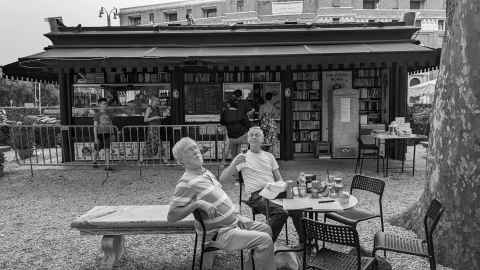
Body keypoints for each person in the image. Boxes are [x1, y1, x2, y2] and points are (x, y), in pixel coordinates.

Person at [167, 137, 275, 270]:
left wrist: (235, 216)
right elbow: (171, 217)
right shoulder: (186, 183)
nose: (196, 151)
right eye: (190, 150)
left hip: (233, 222)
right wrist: (198, 204)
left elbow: (218, 194)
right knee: (264, 240)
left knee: (266, 229)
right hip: (220, 233)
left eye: (195, 147)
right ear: (181, 160)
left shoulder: (205, 173)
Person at [220, 126, 304, 244]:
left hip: (274, 191)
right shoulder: (242, 157)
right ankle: (263, 243)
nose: (254, 137)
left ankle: (305, 243)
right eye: (251, 135)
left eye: (257, 135)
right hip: (257, 196)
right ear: (248, 139)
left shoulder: (269, 156)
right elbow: (223, 179)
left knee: (297, 208)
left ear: (262, 139)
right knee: (281, 213)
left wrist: (285, 188)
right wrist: (233, 165)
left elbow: (279, 179)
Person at [220, 99, 250, 165]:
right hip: (241, 136)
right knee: (238, 148)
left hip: (231, 136)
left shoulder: (225, 113)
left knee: (230, 149)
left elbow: (222, 122)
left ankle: (226, 163)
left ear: (229, 105)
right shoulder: (241, 112)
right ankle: (237, 163)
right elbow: (247, 124)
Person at [144, 97, 168, 162]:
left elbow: (159, 117)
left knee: (151, 143)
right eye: (156, 101)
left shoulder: (157, 108)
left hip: (157, 128)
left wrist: (163, 115)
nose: (158, 102)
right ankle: (164, 158)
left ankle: (144, 158)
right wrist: (154, 117)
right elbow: (145, 119)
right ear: (152, 101)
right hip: (152, 129)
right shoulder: (149, 108)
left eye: (158, 101)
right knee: (156, 143)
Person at [93, 98, 114, 170]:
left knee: (107, 149)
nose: (105, 105)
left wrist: (112, 133)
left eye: (106, 104)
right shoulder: (97, 115)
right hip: (99, 134)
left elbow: (111, 124)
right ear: (99, 105)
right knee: (97, 149)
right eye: (103, 104)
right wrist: (95, 138)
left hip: (107, 134)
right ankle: (94, 161)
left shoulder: (109, 114)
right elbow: (95, 127)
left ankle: (107, 166)